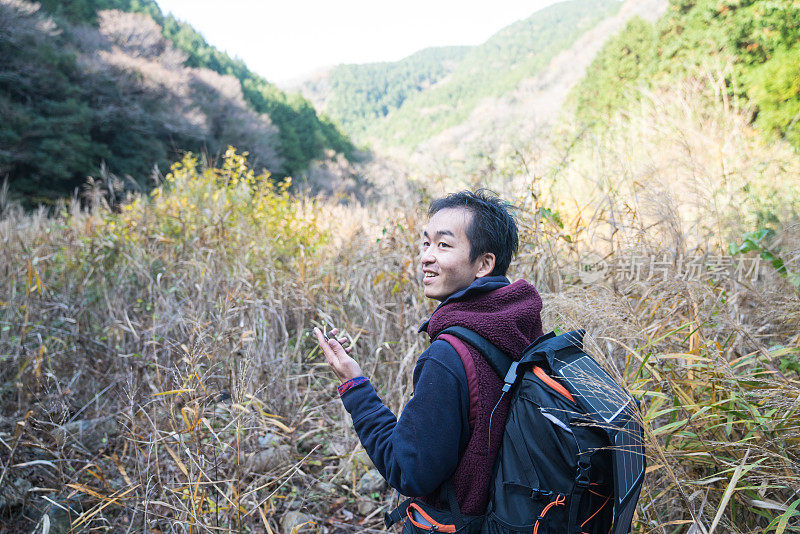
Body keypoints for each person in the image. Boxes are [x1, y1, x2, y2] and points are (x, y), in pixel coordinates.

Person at [313, 190, 544, 520]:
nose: (425, 257)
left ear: (484, 264)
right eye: (426, 243)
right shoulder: (518, 326)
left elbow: (409, 472)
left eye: (444, 245)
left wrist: (354, 385)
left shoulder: (447, 357)